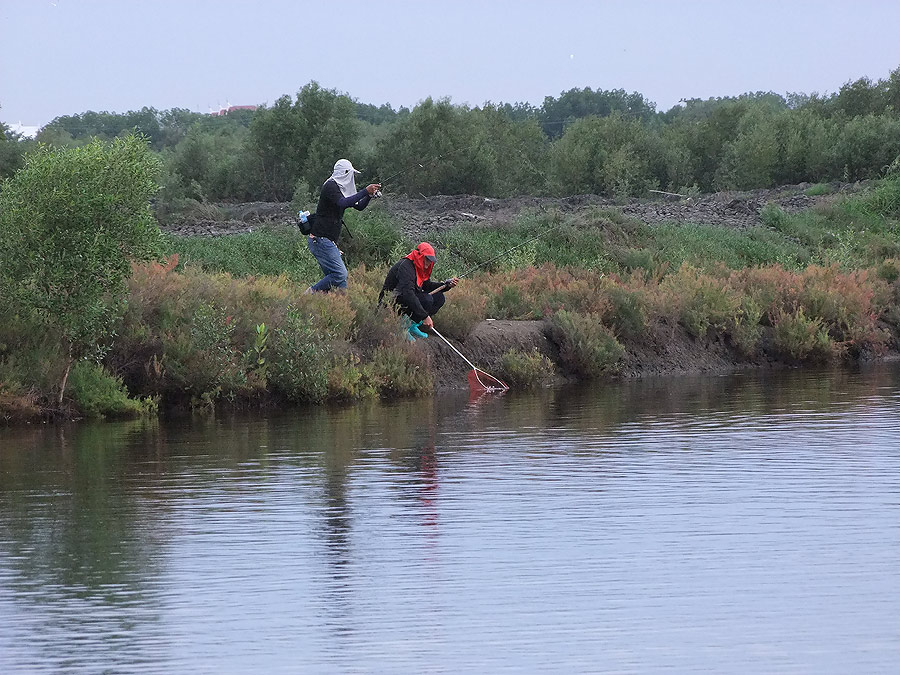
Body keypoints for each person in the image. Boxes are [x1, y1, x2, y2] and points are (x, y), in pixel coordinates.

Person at [306, 159, 381, 293]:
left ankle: (333, 308)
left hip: (327, 240)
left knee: (340, 284)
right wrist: (365, 191)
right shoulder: (330, 186)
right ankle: (310, 294)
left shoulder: (340, 188)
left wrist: (369, 195)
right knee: (340, 274)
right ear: (345, 173)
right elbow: (343, 203)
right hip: (320, 239)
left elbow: (358, 206)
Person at [379, 242, 459, 340]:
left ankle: (412, 325)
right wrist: (425, 316)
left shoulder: (420, 268)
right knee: (427, 299)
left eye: (431, 260)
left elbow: (427, 285)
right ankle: (401, 328)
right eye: (427, 259)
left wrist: (446, 285)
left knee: (439, 298)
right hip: (391, 302)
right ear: (419, 256)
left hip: (405, 298)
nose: (429, 262)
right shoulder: (405, 267)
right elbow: (408, 294)